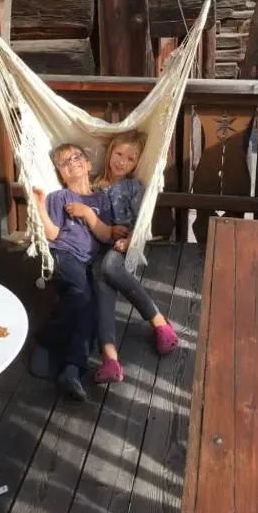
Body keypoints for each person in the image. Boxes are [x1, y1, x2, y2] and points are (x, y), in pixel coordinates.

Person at [93, 130, 178, 383]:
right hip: (98, 245)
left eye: (130, 159)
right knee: (101, 278)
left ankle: (158, 323)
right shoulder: (94, 185)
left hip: (124, 246)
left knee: (109, 267)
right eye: (119, 154)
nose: (122, 161)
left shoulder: (133, 187)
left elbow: (142, 221)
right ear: (110, 152)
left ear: (137, 164)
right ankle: (111, 361)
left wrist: (130, 240)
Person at [30, 143, 112, 401]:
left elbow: (105, 235)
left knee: (91, 307)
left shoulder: (101, 199)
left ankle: (71, 370)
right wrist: (40, 207)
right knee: (81, 296)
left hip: (91, 261)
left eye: (77, 157)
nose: (72, 162)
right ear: (61, 174)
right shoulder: (60, 197)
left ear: (88, 164)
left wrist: (87, 213)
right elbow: (53, 234)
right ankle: (48, 343)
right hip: (65, 255)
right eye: (65, 162)